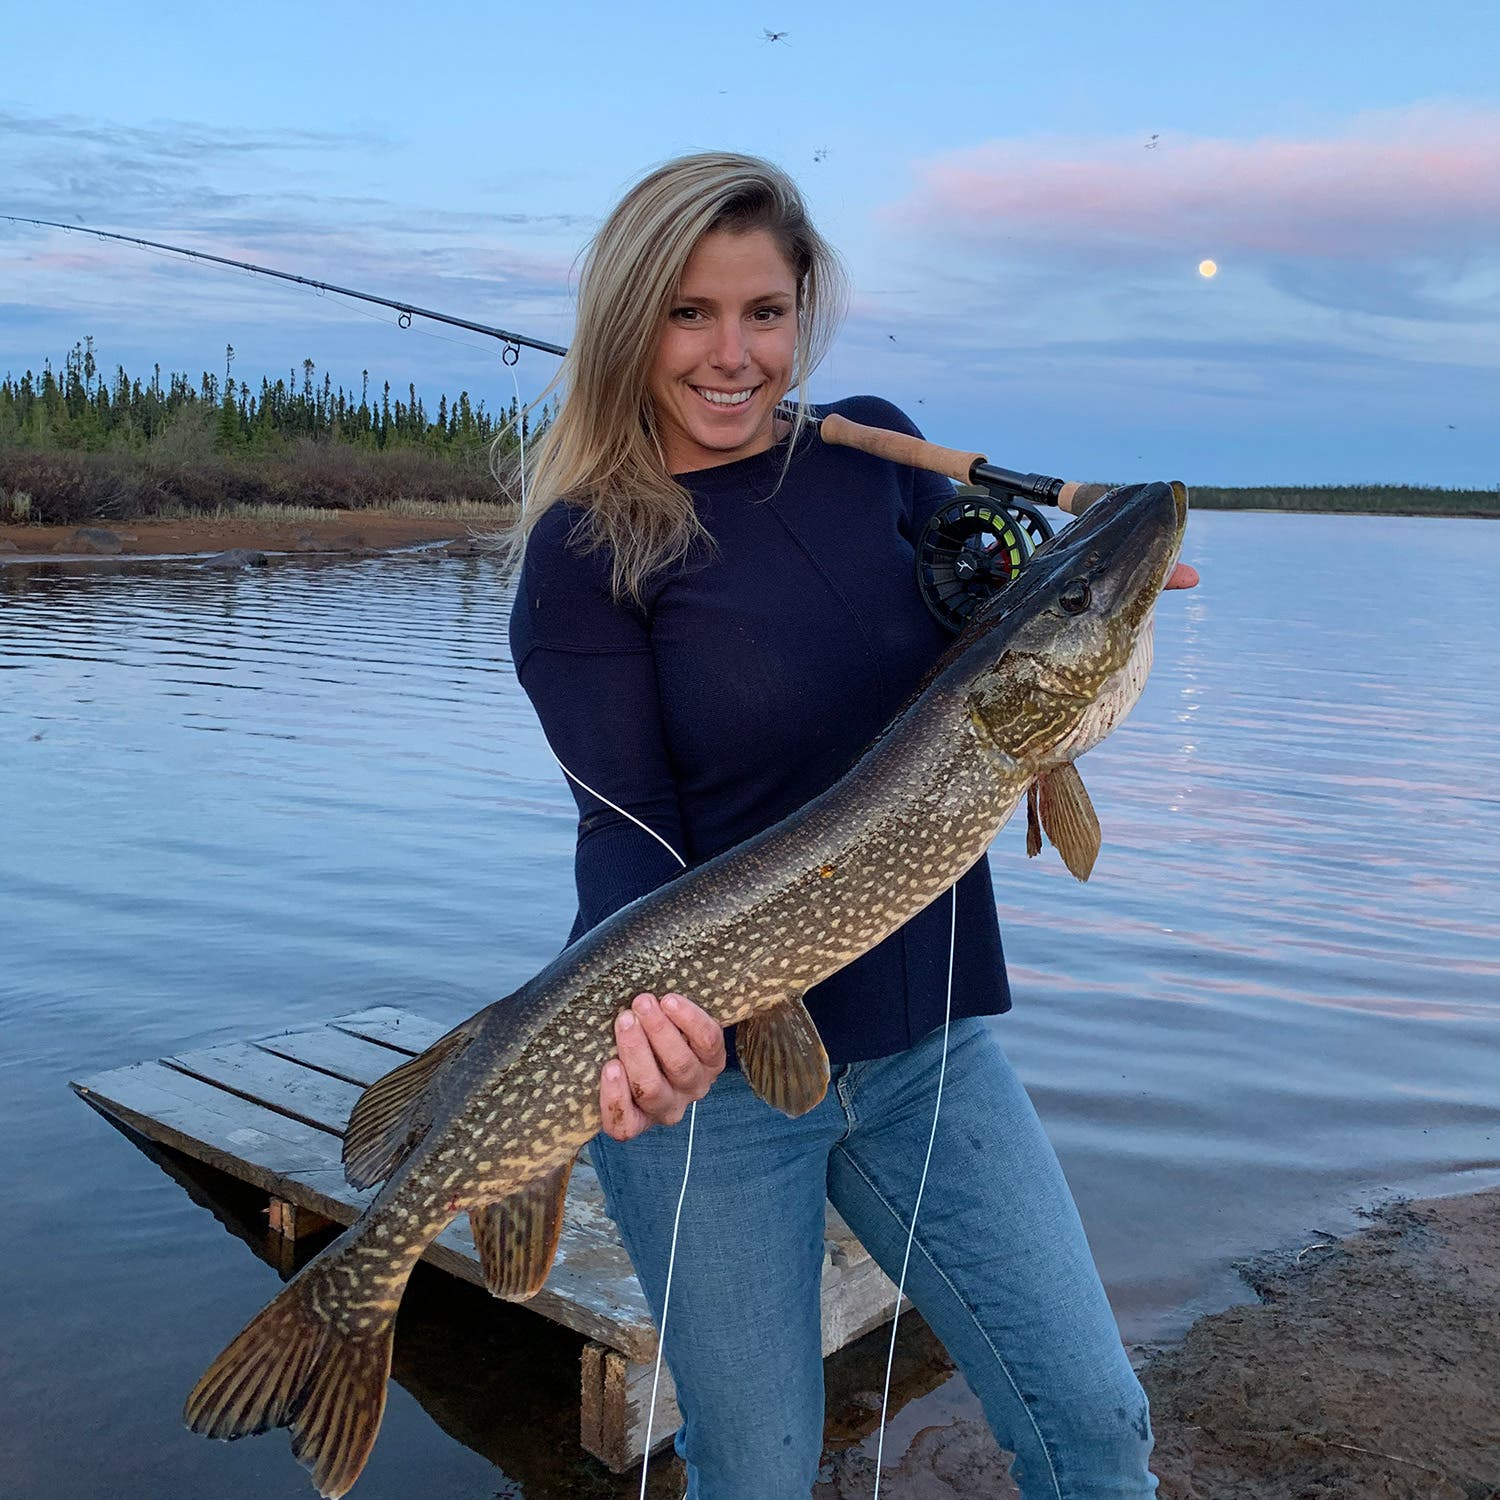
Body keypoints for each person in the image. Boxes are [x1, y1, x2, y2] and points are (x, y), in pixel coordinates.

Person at [507, 151, 1195, 1500]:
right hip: (710, 1093)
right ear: (627, 323)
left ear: (804, 310)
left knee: (1097, 1430)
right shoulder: (586, 553)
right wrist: (637, 1044)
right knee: (755, 1473)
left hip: (931, 1048)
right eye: (688, 313)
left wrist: (1101, 580)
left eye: (763, 312)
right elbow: (625, 847)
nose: (731, 354)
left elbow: (1001, 628)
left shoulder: (874, 457)